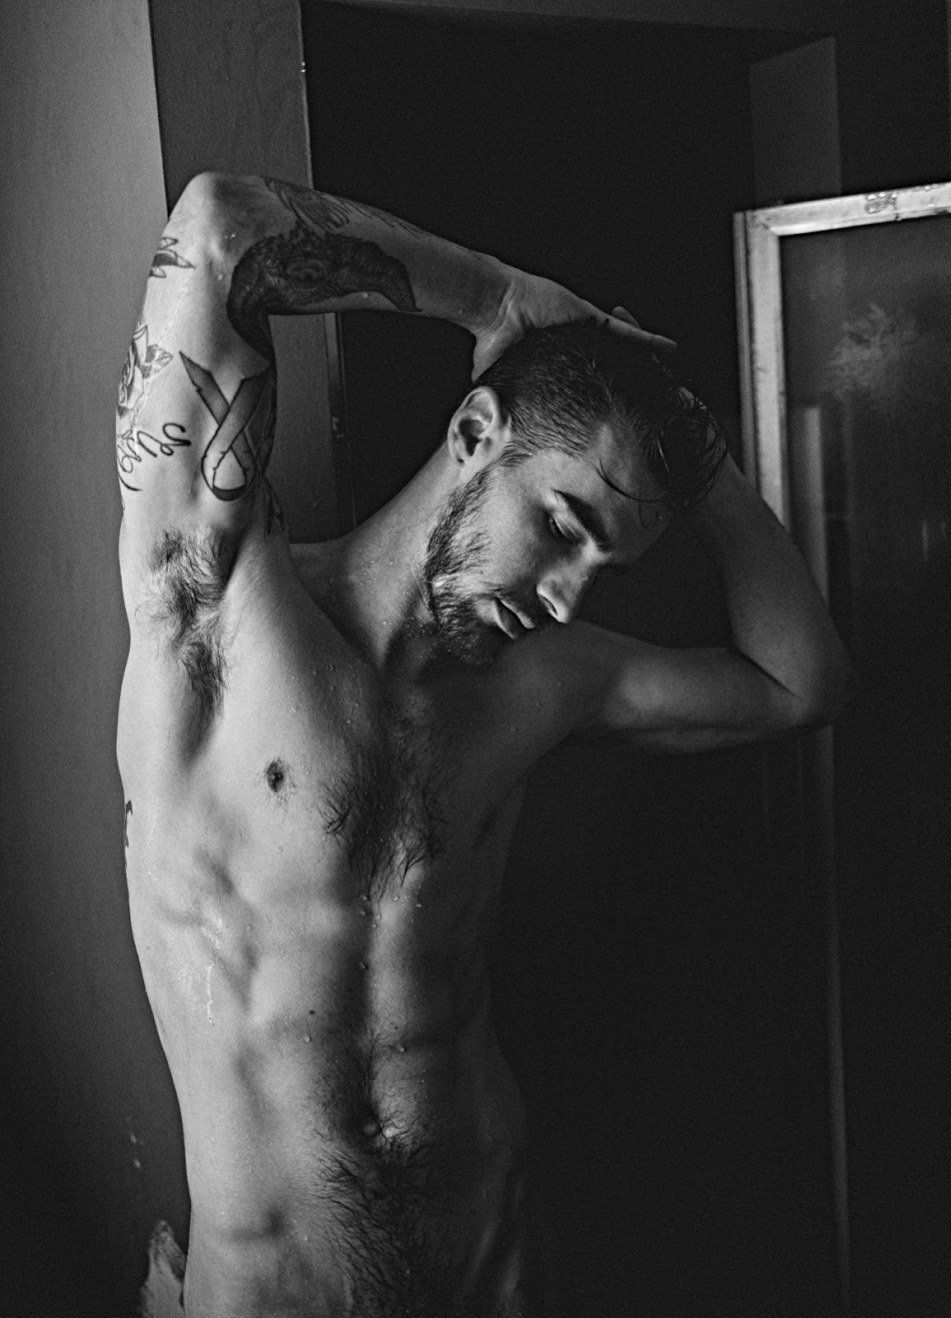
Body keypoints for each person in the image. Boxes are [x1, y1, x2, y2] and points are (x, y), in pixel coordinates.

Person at [117, 172, 853, 1317]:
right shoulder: (216, 618)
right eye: (562, 526)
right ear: (473, 434)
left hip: (499, 1273)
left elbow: (799, 685)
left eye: (603, 566)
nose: (565, 598)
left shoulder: (540, 686)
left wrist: (686, 438)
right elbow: (217, 230)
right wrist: (500, 300)